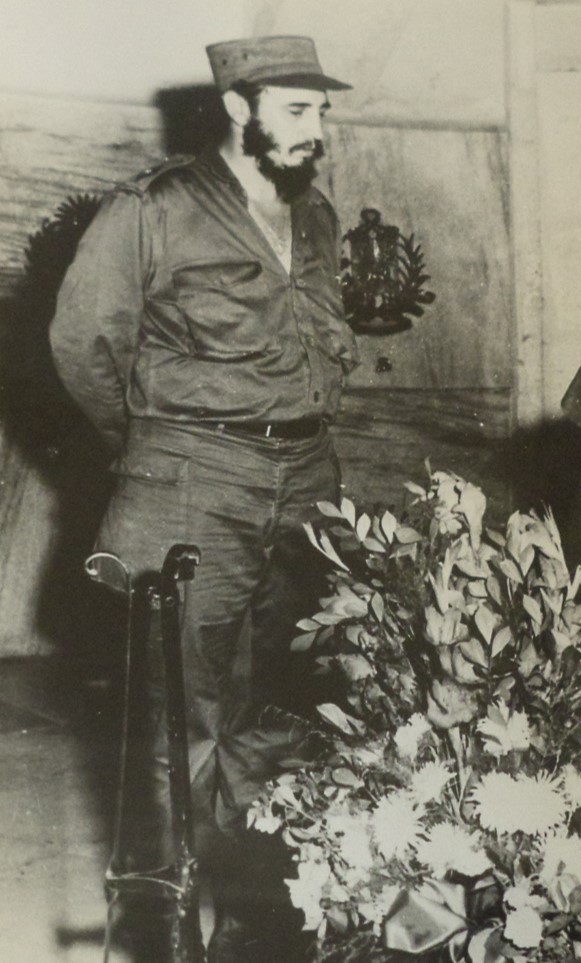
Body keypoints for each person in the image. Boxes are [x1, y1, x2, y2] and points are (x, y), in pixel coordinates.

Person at [49, 35, 357, 962]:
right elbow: (83, 344)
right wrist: (156, 447)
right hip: (195, 478)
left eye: (321, 110)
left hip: (306, 480)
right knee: (186, 716)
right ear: (237, 108)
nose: (316, 129)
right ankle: (167, 929)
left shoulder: (317, 215)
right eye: (296, 110)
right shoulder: (155, 208)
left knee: (290, 705)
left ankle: (261, 917)